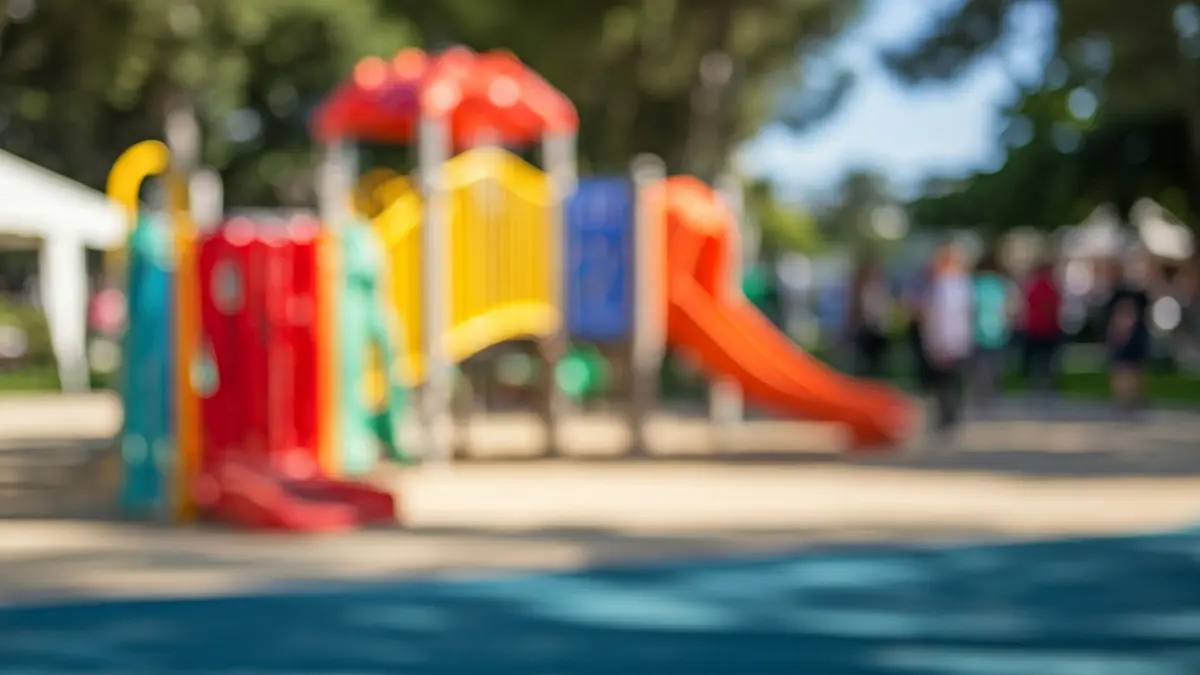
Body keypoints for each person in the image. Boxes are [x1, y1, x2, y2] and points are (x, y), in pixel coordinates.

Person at [922, 243, 975, 438]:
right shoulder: (959, 283)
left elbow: (941, 316)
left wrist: (939, 342)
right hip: (954, 339)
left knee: (947, 381)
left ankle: (949, 416)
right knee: (949, 381)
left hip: (948, 340)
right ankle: (949, 415)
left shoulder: (945, 285)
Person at [1105, 256, 1152, 413]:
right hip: (1133, 333)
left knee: (1126, 367)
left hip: (1127, 333)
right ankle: (1130, 399)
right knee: (1130, 367)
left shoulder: (1121, 294)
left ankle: (1128, 399)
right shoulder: (1135, 294)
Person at [970, 249, 1014, 408]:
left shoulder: (975, 283)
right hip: (996, 328)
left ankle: (982, 391)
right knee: (995, 363)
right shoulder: (1000, 283)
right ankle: (994, 391)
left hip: (978, 329)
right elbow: (1008, 307)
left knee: (980, 364)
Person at [1020, 260, 1062, 393]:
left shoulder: (1033, 287)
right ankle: (1047, 380)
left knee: (1035, 356)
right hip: (1049, 327)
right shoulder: (1052, 288)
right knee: (1048, 357)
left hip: (1034, 327)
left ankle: (1035, 380)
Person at [847, 254, 892, 378]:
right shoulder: (865, 288)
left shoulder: (879, 287)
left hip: (878, 330)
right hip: (867, 329)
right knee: (866, 362)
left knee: (876, 362)